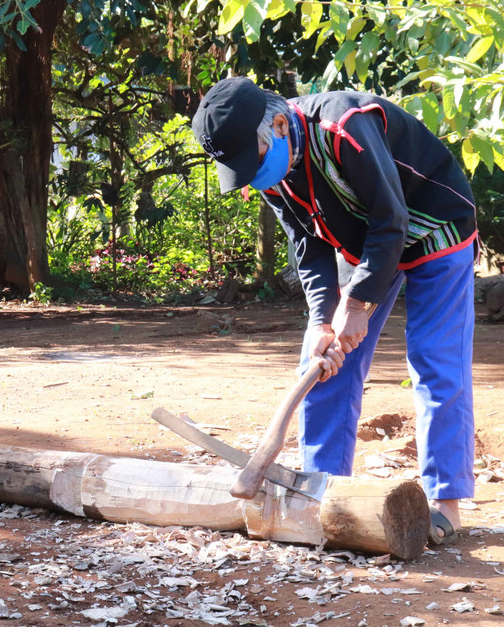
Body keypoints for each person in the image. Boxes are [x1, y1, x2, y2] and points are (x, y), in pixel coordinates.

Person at [192, 77, 477, 544]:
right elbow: (306, 243)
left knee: (435, 363)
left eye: (254, 160)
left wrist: (360, 303)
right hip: (362, 241)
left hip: (433, 225)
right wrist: (324, 317)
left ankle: (445, 504)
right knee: (321, 360)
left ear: (280, 123)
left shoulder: (345, 125)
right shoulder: (269, 167)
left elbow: (392, 219)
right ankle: (321, 491)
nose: (255, 175)